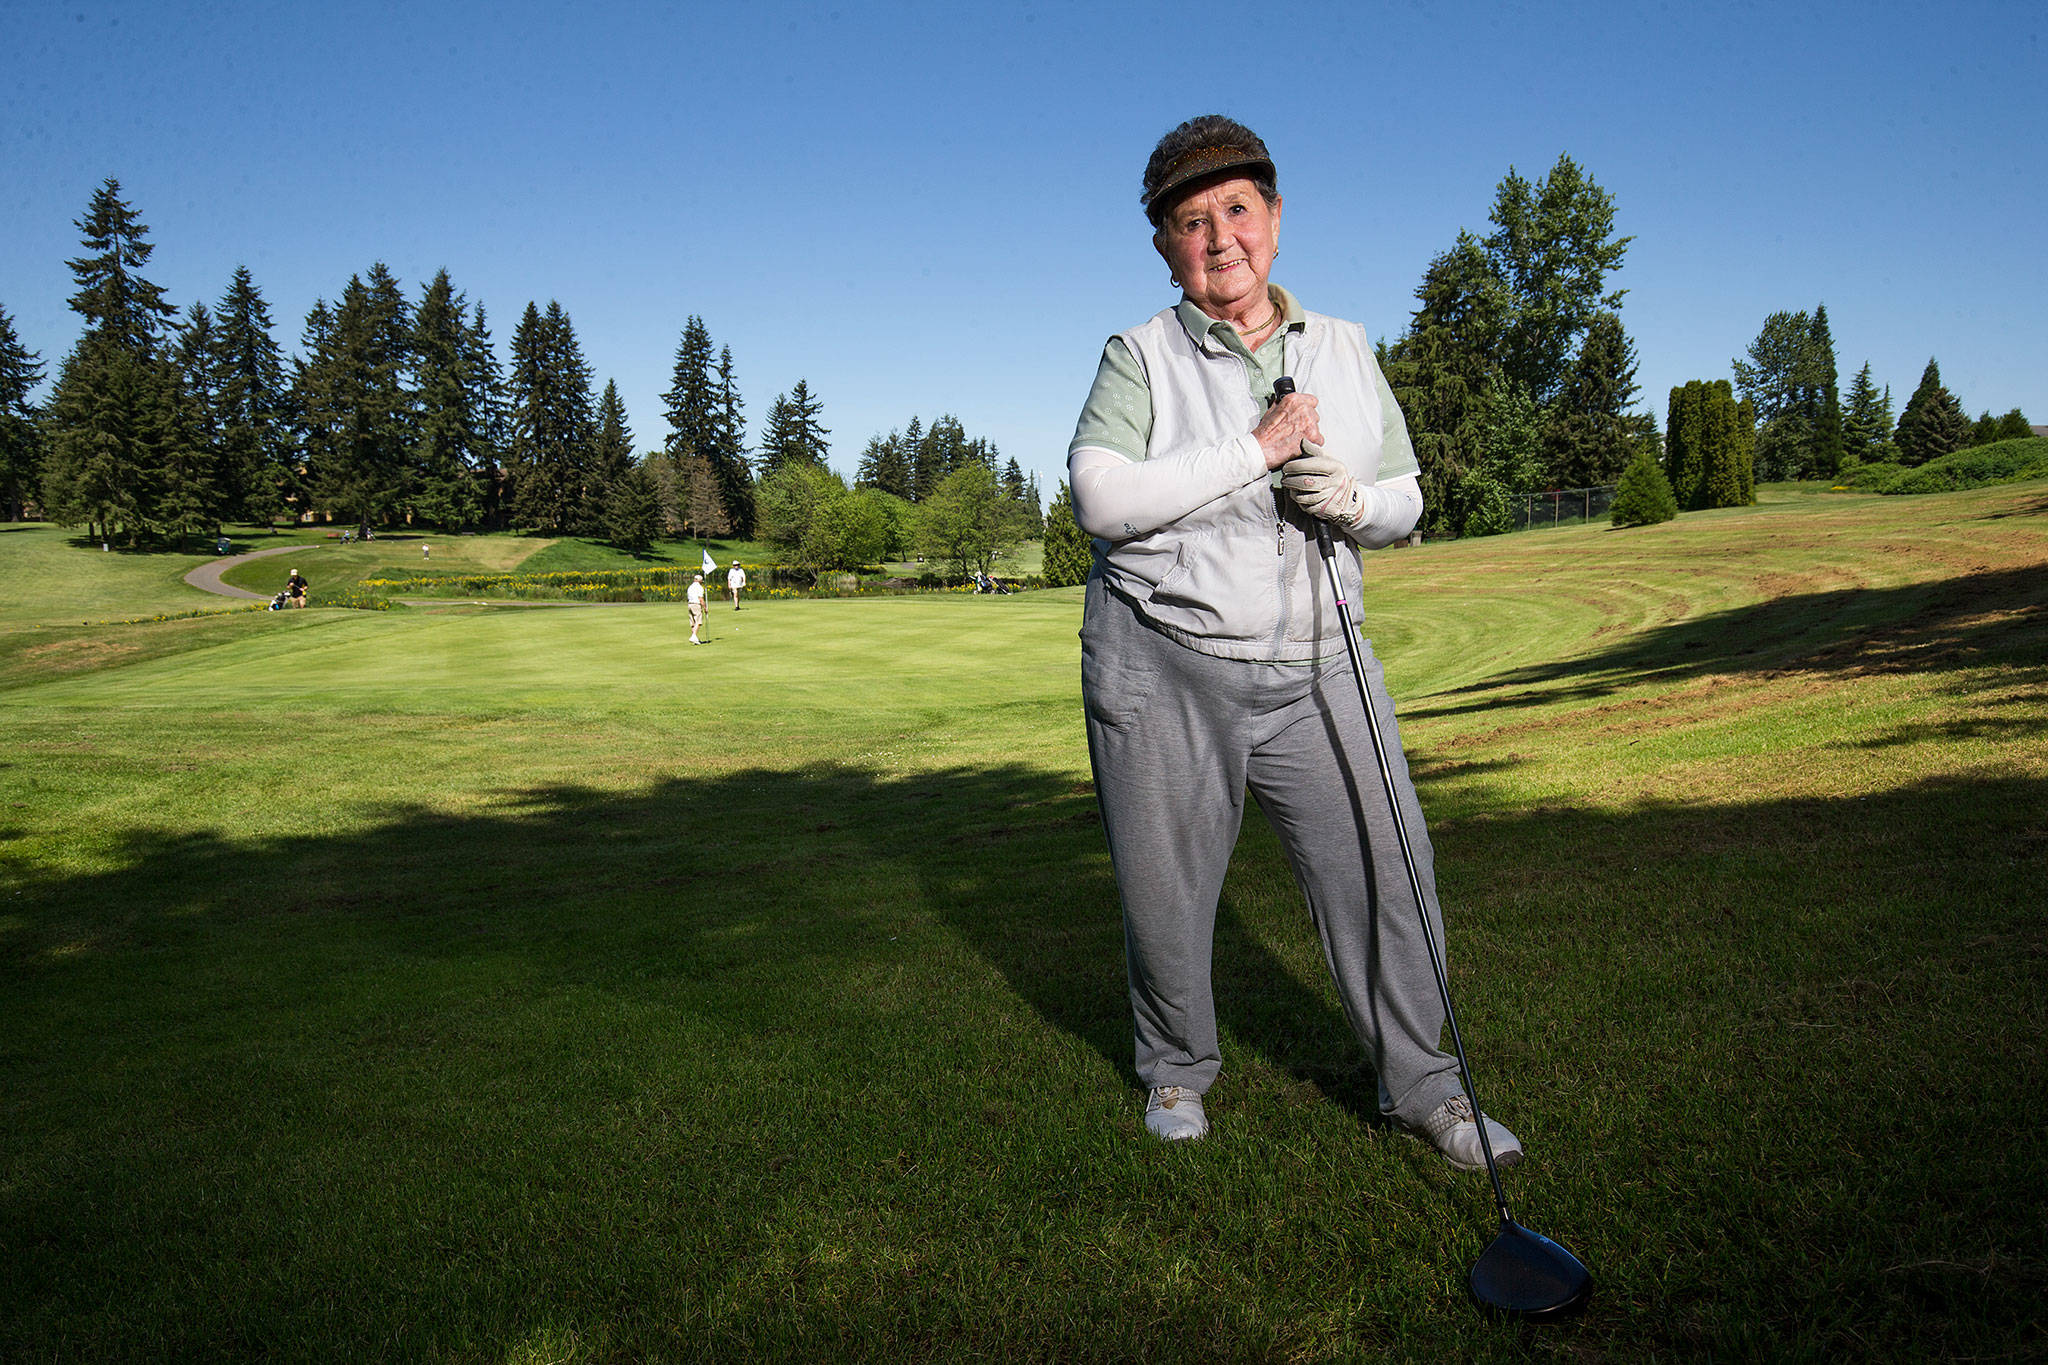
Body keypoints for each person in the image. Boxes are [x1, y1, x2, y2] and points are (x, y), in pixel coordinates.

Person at [1067, 115, 1521, 1171]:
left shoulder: (1345, 348)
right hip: (1162, 659)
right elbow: (1100, 497)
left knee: (1387, 863)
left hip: (1321, 659)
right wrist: (1255, 450)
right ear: (1165, 248)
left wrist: (1352, 499)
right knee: (1165, 885)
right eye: (1191, 221)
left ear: (1272, 217)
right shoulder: (1139, 356)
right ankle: (1176, 1070)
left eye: (1235, 209)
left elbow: (1407, 497)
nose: (1218, 236)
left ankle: (1428, 1091)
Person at [686, 571, 706, 644]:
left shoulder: (690, 587)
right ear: (700, 581)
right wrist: (705, 608)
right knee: (698, 621)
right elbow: (701, 599)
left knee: (693, 622)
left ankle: (695, 639)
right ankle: (693, 636)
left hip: (689, 604)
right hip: (696, 604)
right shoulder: (699, 587)